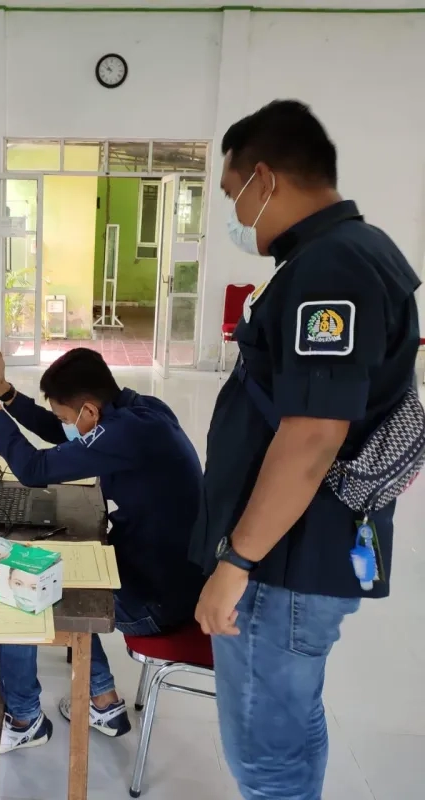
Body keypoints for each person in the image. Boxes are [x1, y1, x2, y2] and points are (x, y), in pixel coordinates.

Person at [191, 100, 421, 800]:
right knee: (291, 725)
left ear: (265, 179)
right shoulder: (346, 252)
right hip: (299, 550)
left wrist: (236, 562)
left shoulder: (332, 267)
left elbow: (314, 434)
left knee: (266, 756)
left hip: (282, 563)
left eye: (234, 195)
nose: (236, 212)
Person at [0, 346, 205, 753]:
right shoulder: (141, 411)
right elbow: (61, 432)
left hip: (155, 602)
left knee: (24, 591)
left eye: (70, 417)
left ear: (89, 410)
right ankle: (102, 702)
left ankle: (24, 720)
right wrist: (6, 392)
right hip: (169, 576)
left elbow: (33, 469)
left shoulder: (127, 433)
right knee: (52, 560)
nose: (65, 426)